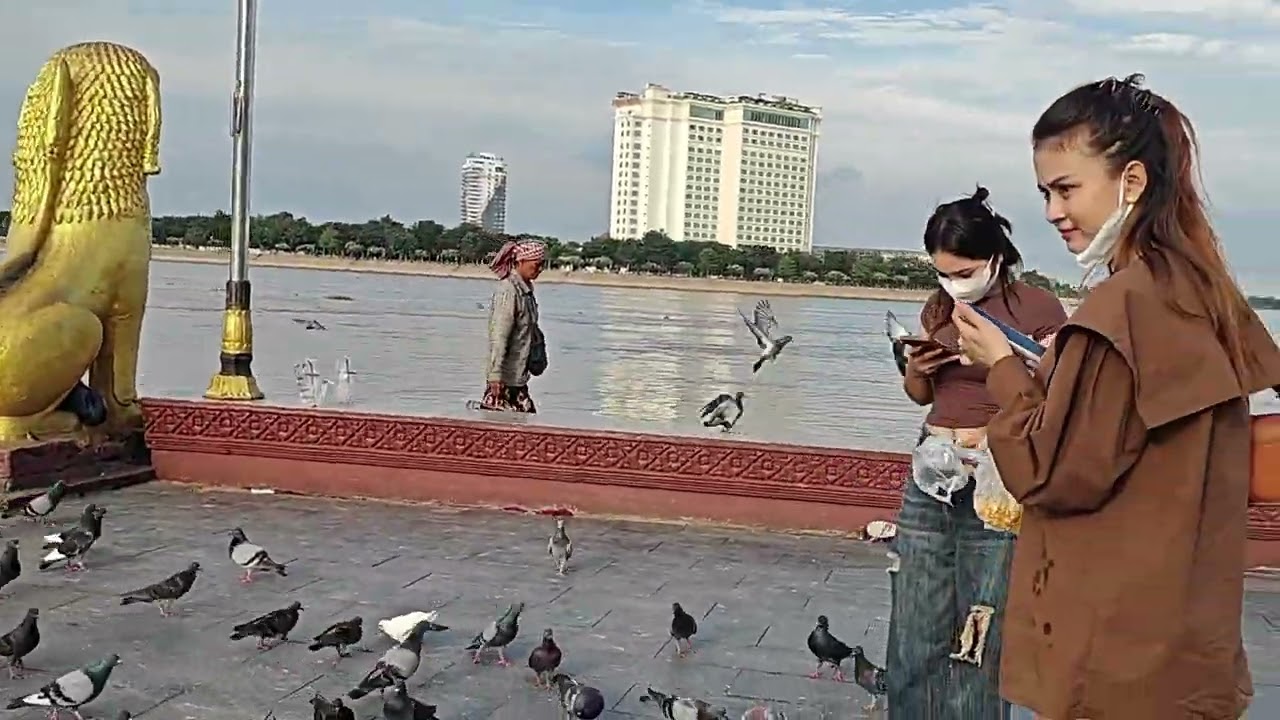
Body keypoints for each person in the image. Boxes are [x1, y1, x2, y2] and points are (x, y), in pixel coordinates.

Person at [953, 74, 1280, 720]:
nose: (1052, 211)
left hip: (1103, 659)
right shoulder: (1202, 290)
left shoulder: (1122, 306)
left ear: (1131, 182)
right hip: (1183, 651)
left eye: (1067, 188)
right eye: (1046, 192)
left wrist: (1001, 368)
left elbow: (1048, 472)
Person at [887, 187, 1068, 719]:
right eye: (942, 271)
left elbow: (1054, 399)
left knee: (981, 629)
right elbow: (924, 396)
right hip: (931, 468)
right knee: (913, 624)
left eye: (964, 271)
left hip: (997, 477)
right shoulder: (941, 306)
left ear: (995, 258)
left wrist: (999, 375)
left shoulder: (1036, 305)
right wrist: (917, 368)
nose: (953, 282)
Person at [481, 239, 547, 413]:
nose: (540, 269)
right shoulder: (509, 291)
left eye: (542, 265)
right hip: (504, 381)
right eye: (536, 265)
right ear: (520, 262)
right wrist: (495, 375)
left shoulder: (526, 293)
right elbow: (499, 336)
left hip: (519, 379)